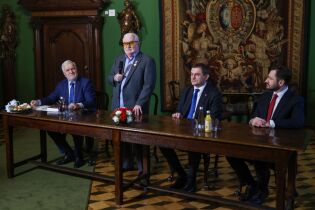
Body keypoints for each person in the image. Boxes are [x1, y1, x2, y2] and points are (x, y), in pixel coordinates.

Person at [226, 65, 304, 205]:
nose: (266, 81)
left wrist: (271, 123)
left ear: (281, 83)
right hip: (257, 139)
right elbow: (254, 115)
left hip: (278, 143)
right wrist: (252, 119)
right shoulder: (265, 95)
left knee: (261, 157)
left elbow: (298, 122)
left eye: (269, 78)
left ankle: (262, 192)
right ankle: (252, 184)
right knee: (230, 153)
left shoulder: (295, 99)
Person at [160, 63, 222, 192]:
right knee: (162, 143)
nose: (193, 77)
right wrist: (178, 114)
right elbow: (180, 110)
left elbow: (215, 117)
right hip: (183, 129)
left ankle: (191, 181)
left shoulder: (213, 93)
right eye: (192, 74)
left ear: (206, 77)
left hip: (201, 132)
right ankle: (182, 175)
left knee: (193, 144)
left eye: (197, 74)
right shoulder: (187, 90)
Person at [30, 60, 96, 168]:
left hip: (84, 114)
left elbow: (91, 101)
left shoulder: (85, 82)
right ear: (64, 73)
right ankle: (69, 153)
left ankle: (79, 156)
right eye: (68, 70)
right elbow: (51, 98)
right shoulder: (61, 84)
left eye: (73, 69)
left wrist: (78, 105)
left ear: (76, 69)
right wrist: (38, 102)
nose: (71, 71)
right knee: (50, 128)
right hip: (66, 115)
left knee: (75, 127)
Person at [108, 32, 156, 174]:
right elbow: (109, 78)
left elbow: (149, 85)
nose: (128, 46)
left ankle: (143, 169)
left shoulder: (146, 60)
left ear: (138, 43)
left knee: (138, 139)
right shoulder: (119, 60)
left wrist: (139, 103)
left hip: (136, 108)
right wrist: (114, 78)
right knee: (122, 138)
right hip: (118, 106)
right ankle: (127, 163)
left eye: (131, 43)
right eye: (125, 44)